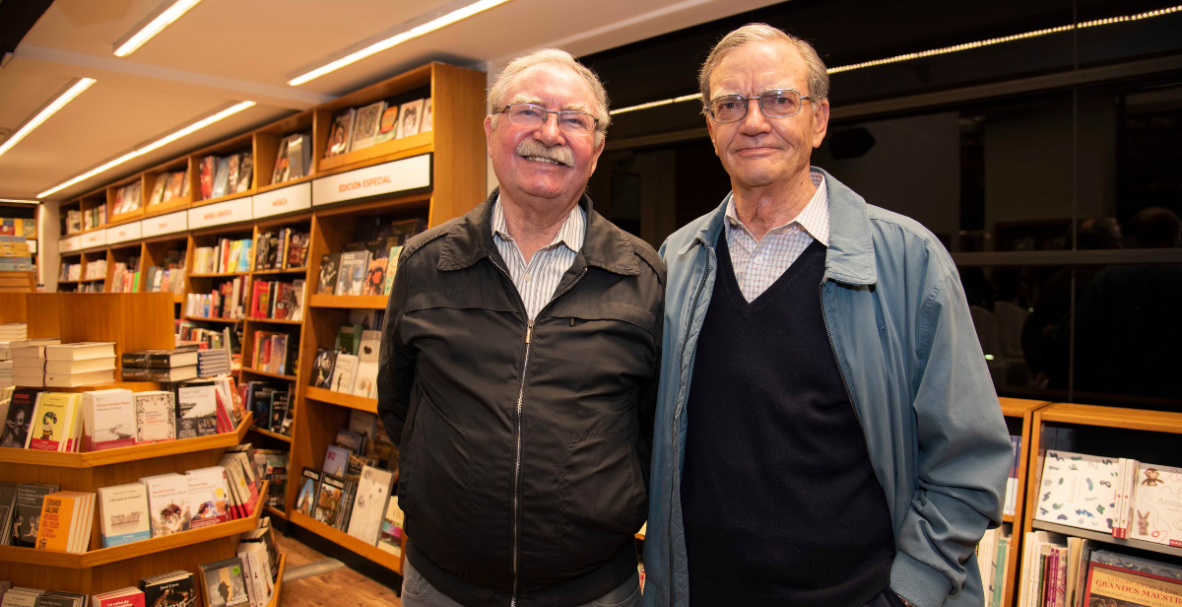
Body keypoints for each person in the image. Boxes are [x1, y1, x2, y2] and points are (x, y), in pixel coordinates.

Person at [643, 24, 1013, 607]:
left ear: (818, 119)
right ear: (711, 127)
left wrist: (910, 594)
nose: (754, 121)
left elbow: (969, 461)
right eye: (730, 104)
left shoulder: (909, 260)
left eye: (780, 100)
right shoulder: (678, 259)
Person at [378, 48, 664, 607]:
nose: (550, 133)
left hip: (594, 590)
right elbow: (399, 405)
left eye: (575, 119)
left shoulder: (643, 274)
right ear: (492, 130)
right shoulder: (424, 264)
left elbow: (652, 425)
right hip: (442, 586)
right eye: (529, 111)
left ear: (598, 147)